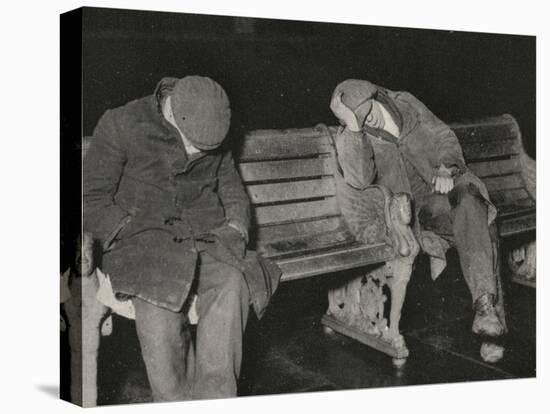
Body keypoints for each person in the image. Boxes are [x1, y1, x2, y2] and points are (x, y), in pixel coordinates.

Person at [83, 76, 280, 401]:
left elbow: (230, 185)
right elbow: (89, 196)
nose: (195, 155)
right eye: (194, 146)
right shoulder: (122, 122)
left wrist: (236, 226)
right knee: (159, 312)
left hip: (208, 238)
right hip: (144, 244)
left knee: (234, 282)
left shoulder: (212, 126)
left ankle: (216, 398)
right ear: (172, 112)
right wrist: (122, 232)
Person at [328, 79, 506, 347]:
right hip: (407, 213)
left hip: (442, 190)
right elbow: (360, 180)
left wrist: (446, 167)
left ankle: (485, 310)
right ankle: (490, 318)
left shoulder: (405, 103)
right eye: (359, 120)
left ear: (376, 97)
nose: (369, 122)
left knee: (472, 202)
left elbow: (443, 134)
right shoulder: (351, 136)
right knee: (484, 227)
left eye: (368, 114)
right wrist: (354, 128)